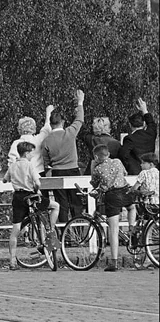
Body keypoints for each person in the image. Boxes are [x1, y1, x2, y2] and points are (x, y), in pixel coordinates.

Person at [3, 142, 59, 270]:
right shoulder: (29, 166)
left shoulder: (13, 165)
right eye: (32, 153)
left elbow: (4, 180)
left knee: (15, 229)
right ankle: (50, 230)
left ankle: (12, 261)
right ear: (27, 153)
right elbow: (37, 183)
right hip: (30, 196)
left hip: (18, 197)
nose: (33, 155)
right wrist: (35, 188)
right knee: (55, 206)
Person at [89, 144, 136, 272]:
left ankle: (114, 262)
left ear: (96, 157)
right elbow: (125, 173)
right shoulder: (117, 161)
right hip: (125, 191)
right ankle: (132, 228)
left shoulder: (98, 169)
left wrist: (93, 167)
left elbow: (94, 183)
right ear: (108, 154)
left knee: (113, 230)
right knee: (132, 207)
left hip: (112, 196)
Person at [42, 89, 86, 223]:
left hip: (57, 173)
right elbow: (80, 119)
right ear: (63, 121)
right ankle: (77, 230)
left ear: (50, 123)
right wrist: (80, 102)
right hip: (73, 170)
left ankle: (64, 235)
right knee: (76, 203)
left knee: (62, 204)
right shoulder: (70, 133)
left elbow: (46, 162)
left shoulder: (46, 140)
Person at [7, 106, 53, 175]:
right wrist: (48, 113)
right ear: (34, 128)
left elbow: (12, 162)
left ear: (19, 129)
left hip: (23, 175)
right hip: (39, 173)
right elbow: (47, 128)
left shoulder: (16, 144)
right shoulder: (39, 139)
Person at [120, 98, 157, 175]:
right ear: (144, 124)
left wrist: (129, 167)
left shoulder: (129, 138)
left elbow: (123, 155)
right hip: (151, 170)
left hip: (136, 172)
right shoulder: (151, 134)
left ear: (130, 125)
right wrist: (144, 110)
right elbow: (151, 124)